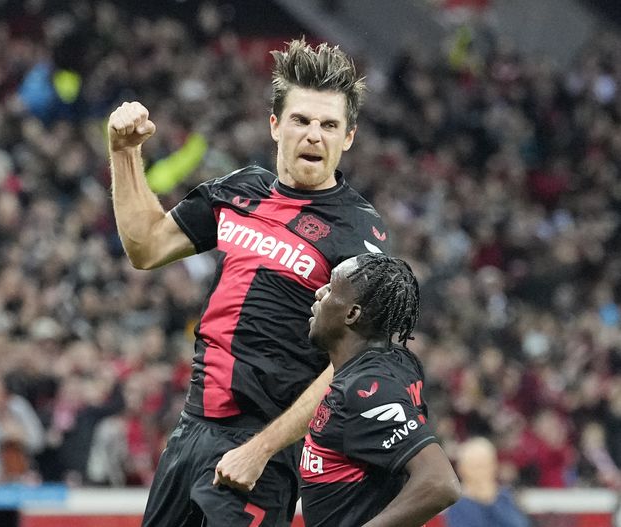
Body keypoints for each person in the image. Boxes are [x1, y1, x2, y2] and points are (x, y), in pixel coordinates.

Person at [109, 38, 391, 526]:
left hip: (262, 448)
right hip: (191, 432)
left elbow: (352, 367)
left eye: (329, 125)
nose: (313, 136)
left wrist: (261, 449)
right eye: (301, 120)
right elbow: (147, 246)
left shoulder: (359, 234)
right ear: (275, 124)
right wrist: (125, 152)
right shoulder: (240, 190)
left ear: (348, 138)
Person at [300, 253, 460, 526]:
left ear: (352, 314)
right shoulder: (401, 361)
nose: (319, 292)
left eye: (330, 289)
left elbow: (440, 482)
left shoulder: (366, 389)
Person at [445, 437, 530, 527]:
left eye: (487, 464)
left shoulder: (505, 497)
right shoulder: (459, 504)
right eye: (476, 466)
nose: (483, 472)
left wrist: (491, 501)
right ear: (462, 470)